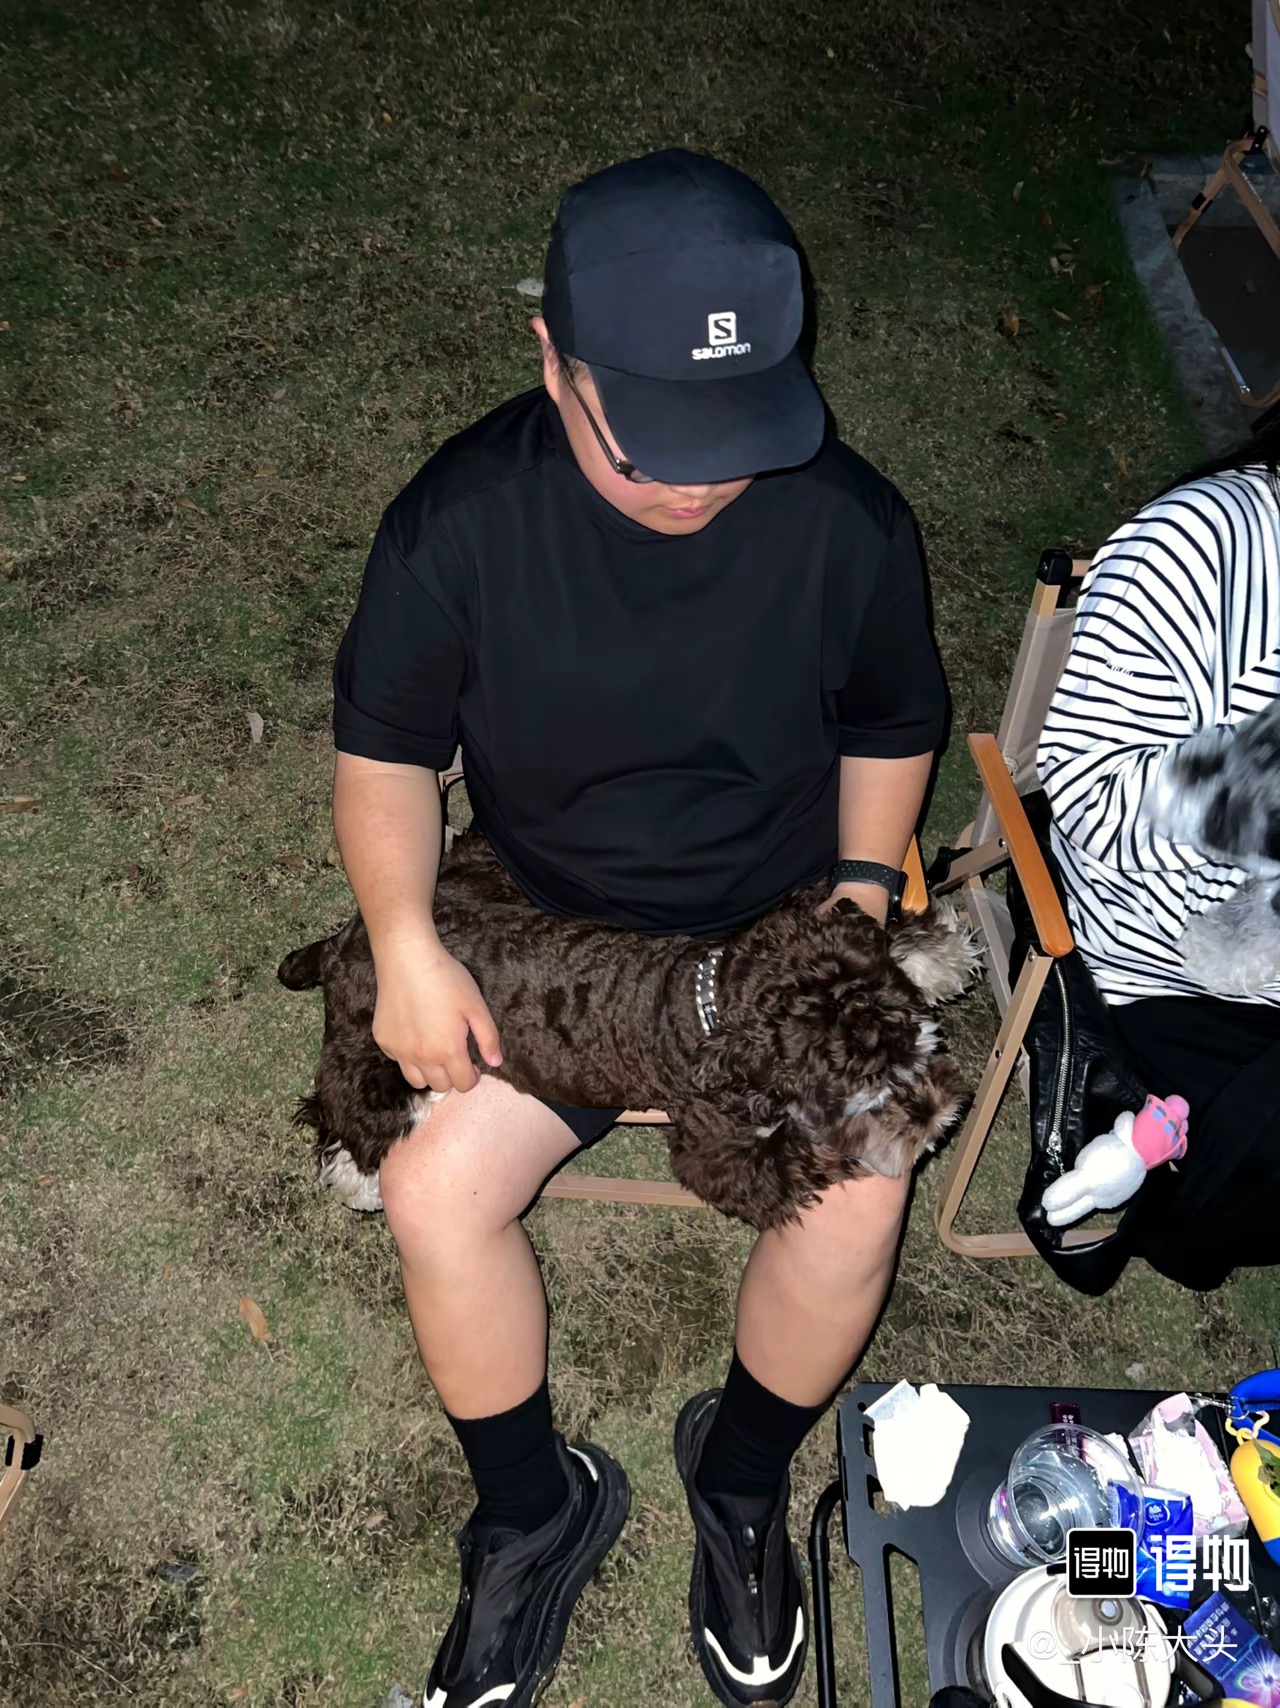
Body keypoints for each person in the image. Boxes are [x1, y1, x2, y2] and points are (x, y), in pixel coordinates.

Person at [331, 149, 946, 1708]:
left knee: (862, 1202)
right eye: (656, 439)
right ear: (553, 357)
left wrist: (858, 898)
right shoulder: (461, 520)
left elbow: (893, 721)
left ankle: (738, 1477)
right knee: (430, 1193)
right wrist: (404, 940)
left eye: (735, 436)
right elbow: (385, 753)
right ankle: (534, 1510)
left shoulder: (848, 521)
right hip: (547, 919)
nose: (698, 482)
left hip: (775, 928)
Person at [1037, 418, 1280, 1291]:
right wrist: (1261, 784)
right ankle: (1183, 1209)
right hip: (1159, 948)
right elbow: (1089, 795)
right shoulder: (1203, 544)